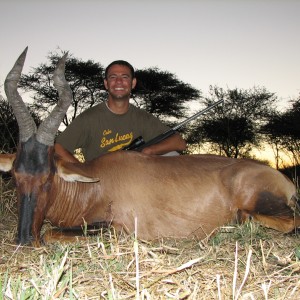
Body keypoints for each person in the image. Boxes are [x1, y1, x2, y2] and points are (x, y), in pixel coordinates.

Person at [54, 60, 186, 162]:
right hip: (101, 182)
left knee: (172, 156)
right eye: (113, 77)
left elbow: (179, 143)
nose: (118, 82)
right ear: (106, 84)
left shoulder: (142, 117)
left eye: (124, 77)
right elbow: (58, 148)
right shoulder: (89, 118)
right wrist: (81, 172)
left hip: (135, 176)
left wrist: (149, 151)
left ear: (133, 83)